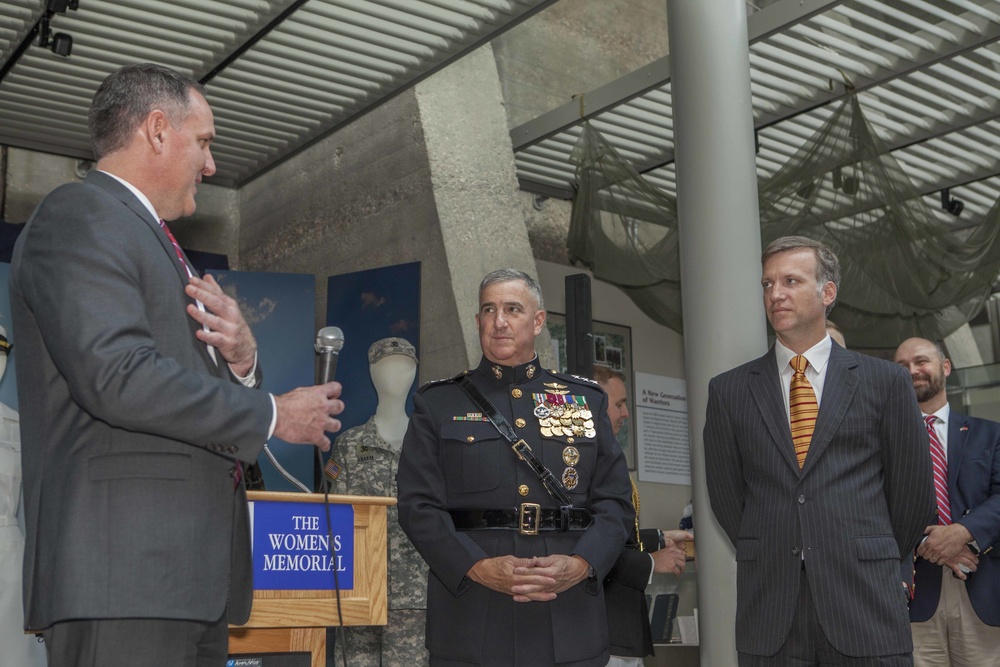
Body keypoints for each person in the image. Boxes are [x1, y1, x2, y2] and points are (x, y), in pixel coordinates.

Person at [10, 63, 344, 667]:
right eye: (205, 141)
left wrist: (242, 360)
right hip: (124, 576)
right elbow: (117, 376)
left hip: (184, 578)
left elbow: (171, 385)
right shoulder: (82, 214)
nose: (212, 166)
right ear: (158, 130)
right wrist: (270, 414)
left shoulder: (151, 239)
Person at [704, 235, 935, 666]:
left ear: (827, 292)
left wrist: (866, 551)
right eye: (767, 284)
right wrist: (777, 541)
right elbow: (727, 497)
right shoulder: (729, 391)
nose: (775, 294)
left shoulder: (885, 382)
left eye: (791, 280)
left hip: (865, 602)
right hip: (771, 607)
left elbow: (912, 495)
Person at [397, 268, 634, 667]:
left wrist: (581, 564)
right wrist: (475, 566)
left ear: (538, 321)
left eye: (512, 309)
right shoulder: (438, 404)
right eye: (488, 310)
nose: (499, 321)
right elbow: (417, 505)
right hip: (474, 612)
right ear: (477, 322)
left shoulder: (584, 400)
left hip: (567, 613)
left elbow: (614, 503)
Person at [893, 337, 1000, 667]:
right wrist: (930, 540)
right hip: (913, 600)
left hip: (982, 589)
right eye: (902, 366)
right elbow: (873, 505)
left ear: (945, 366)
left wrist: (962, 532)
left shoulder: (990, 434)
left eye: (921, 361)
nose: (913, 370)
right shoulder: (881, 442)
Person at [327, 337, 428, 666]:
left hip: (415, 594)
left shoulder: (430, 446)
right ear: (372, 372)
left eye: (405, 367)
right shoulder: (349, 445)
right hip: (357, 593)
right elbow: (330, 515)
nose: (395, 376)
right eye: (386, 367)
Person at [593, 366, 690, 667]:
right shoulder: (579, 464)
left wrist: (660, 537)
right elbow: (588, 547)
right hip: (599, 627)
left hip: (621, 627)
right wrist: (650, 562)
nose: (626, 414)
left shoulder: (607, 456)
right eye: (619, 404)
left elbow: (618, 536)